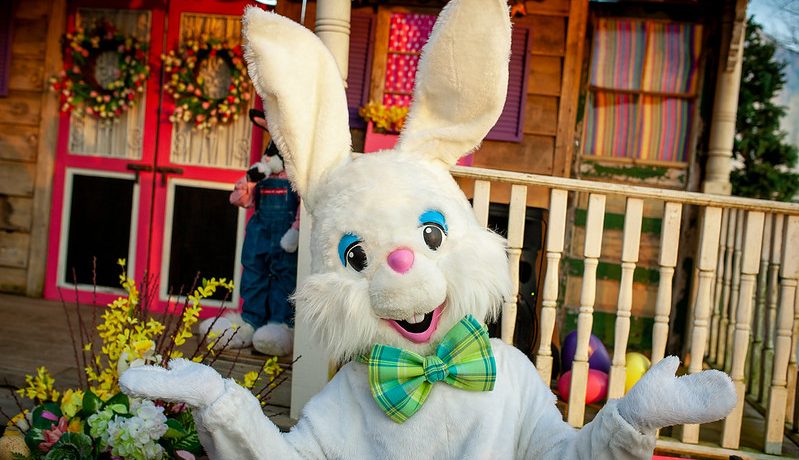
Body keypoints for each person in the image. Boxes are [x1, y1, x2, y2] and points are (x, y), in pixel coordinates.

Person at [198, 109, 298, 356]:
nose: (269, 156)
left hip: (285, 238)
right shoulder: (261, 175)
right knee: (254, 274)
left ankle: (279, 325)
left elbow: (304, 206)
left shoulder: (296, 178)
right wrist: (249, 181)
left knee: (284, 277)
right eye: (269, 151)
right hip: (259, 235)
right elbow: (240, 200)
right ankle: (249, 322)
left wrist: (296, 229)